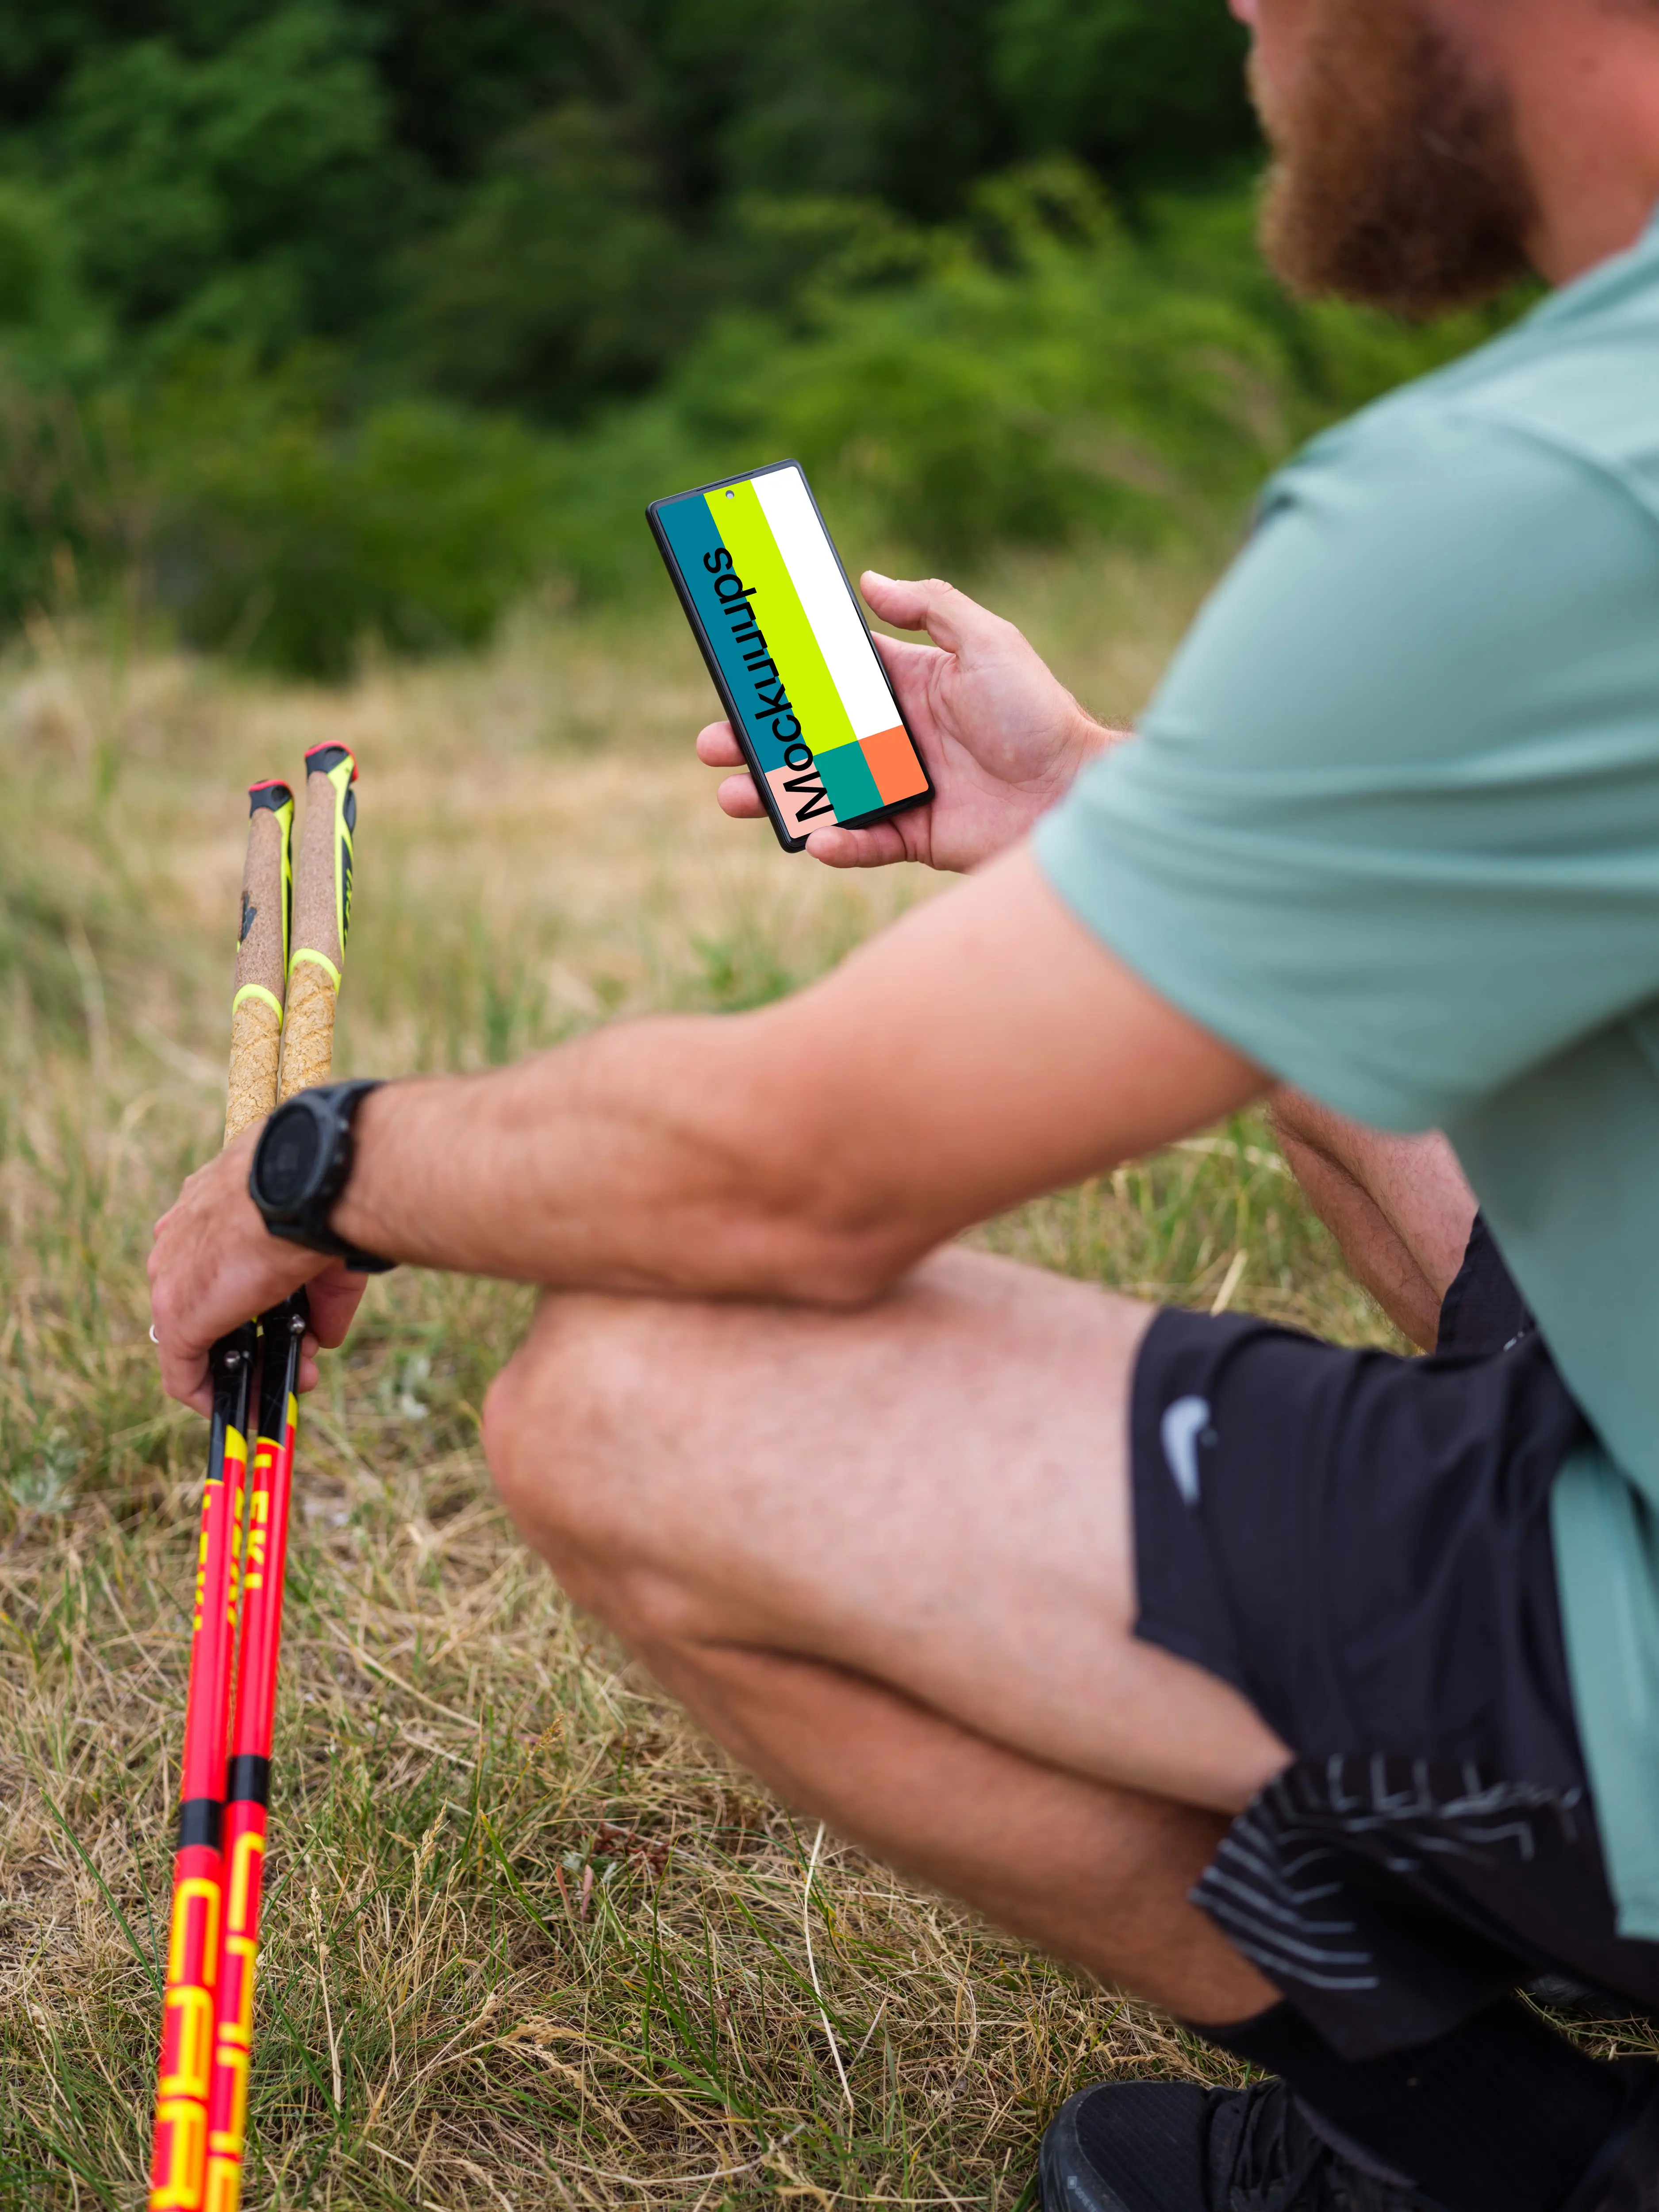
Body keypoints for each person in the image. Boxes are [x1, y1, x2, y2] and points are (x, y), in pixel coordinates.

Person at [149, 0, 1659, 2203]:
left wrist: (331, 1160)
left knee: (633, 1402)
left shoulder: (1534, 486)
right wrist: (1082, 808)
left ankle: (1520, 2158)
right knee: (1354, 1049)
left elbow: (793, 1175)